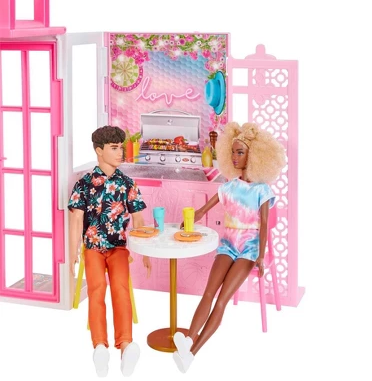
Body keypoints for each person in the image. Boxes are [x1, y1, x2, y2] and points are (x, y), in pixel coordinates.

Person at [172, 121, 286, 373]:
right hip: (228, 245)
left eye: (240, 152)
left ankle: (192, 352)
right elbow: (203, 209)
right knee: (208, 293)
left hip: (248, 250)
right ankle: (188, 340)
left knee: (221, 300)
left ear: (254, 156)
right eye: (233, 152)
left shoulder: (262, 190)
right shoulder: (229, 186)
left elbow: (264, 225)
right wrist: (191, 219)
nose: (235, 157)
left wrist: (261, 256)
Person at [68, 125, 151, 377]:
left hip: (118, 248)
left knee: (120, 289)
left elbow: (138, 220)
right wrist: (72, 253)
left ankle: (126, 346)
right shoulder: (84, 184)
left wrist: (145, 250)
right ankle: (100, 347)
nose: (120, 152)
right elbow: (76, 220)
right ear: (99, 151)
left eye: (121, 147)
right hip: (93, 248)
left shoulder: (127, 183)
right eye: (114, 148)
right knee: (96, 291)